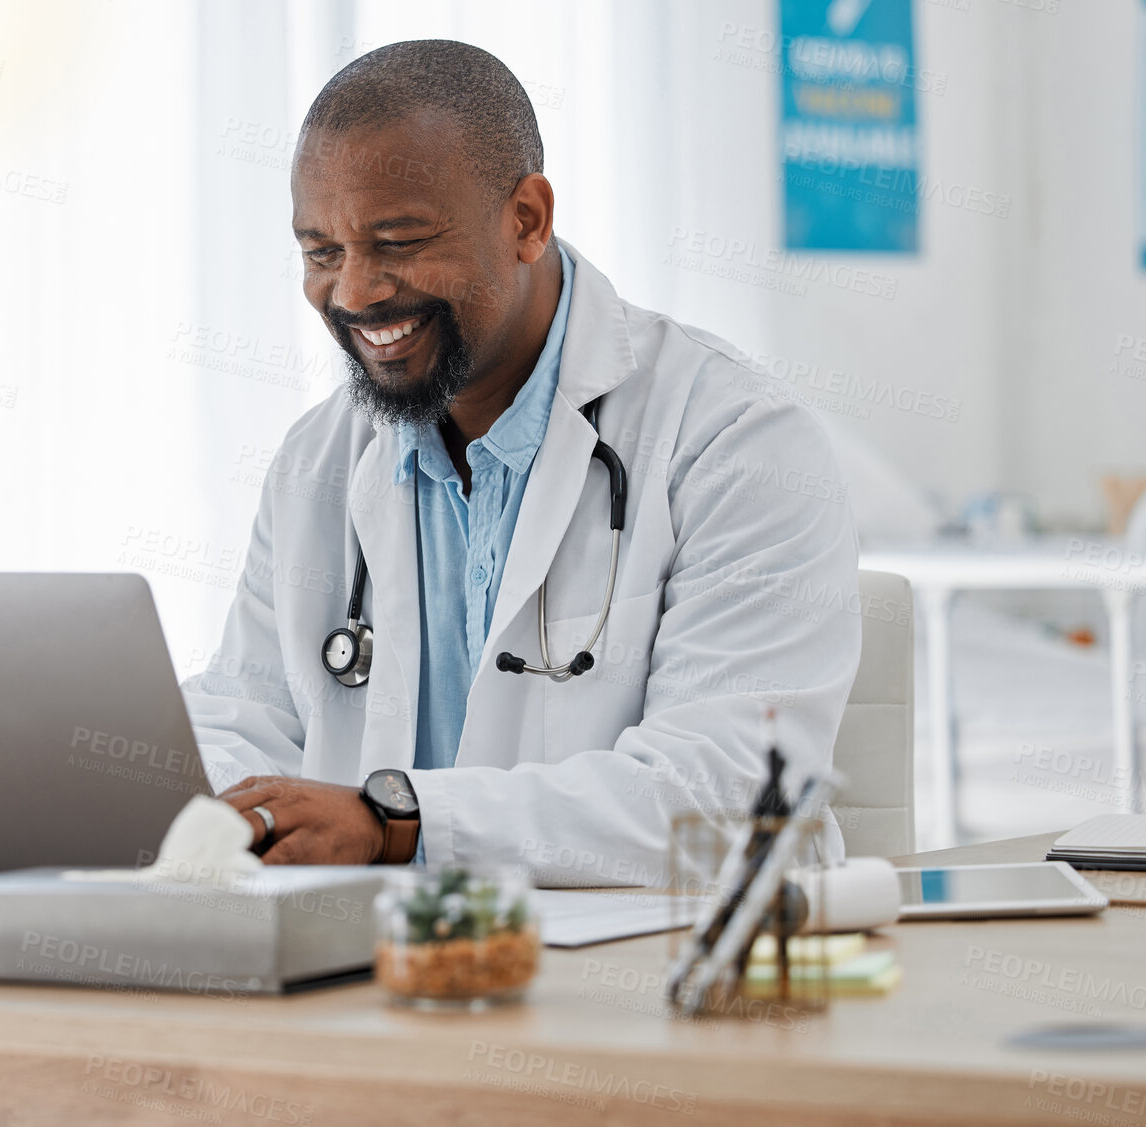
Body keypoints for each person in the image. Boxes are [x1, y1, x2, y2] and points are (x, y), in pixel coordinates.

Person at [183, 40, 860, 885]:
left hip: (648, 979)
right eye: (321, 252)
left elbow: (728, 796)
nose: (354, 292)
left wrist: (396, 822)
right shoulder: (319, 457)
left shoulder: (734, 439)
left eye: (396, 241)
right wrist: (198, 802)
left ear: (527, 220)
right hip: (379, 971)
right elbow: (245, 711)